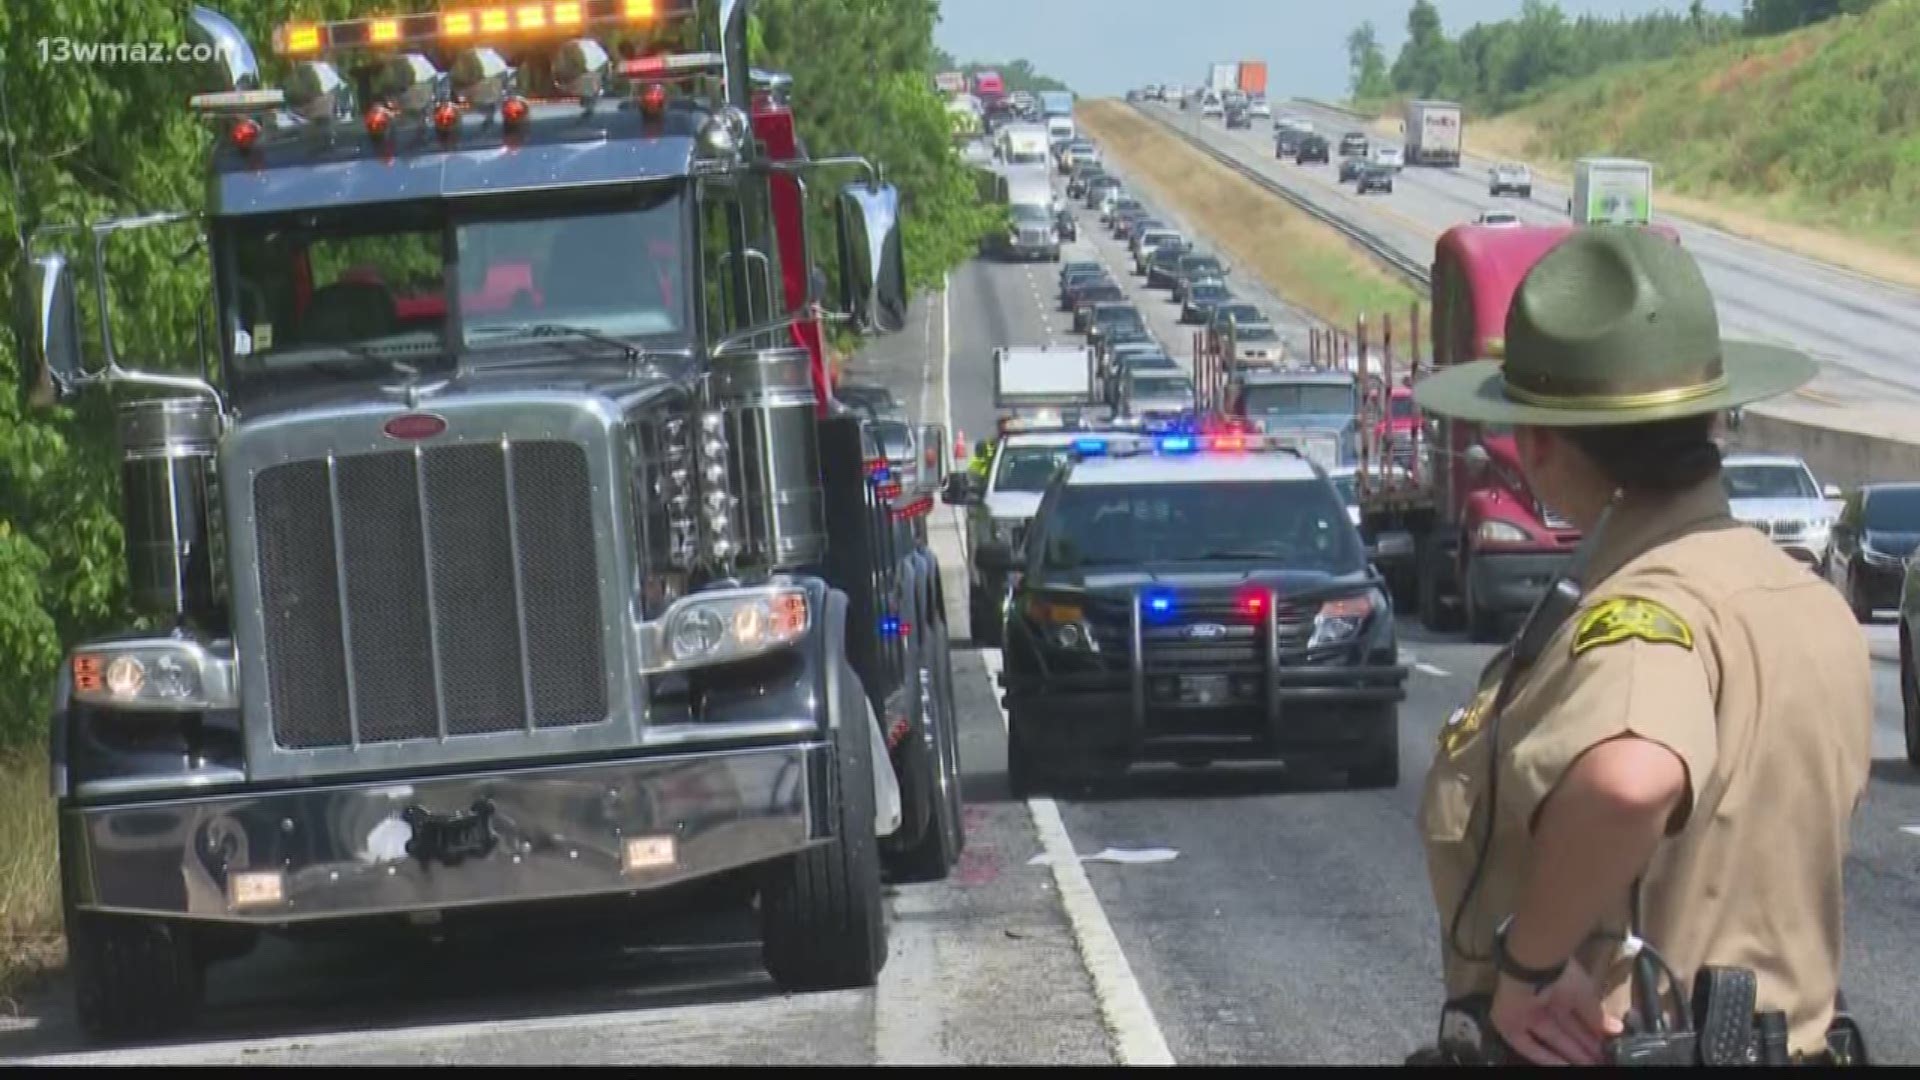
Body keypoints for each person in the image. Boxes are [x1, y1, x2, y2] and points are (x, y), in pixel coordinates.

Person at [1405, 227, 1873, 1066]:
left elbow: (1631, 780)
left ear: (1539, 443)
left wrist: (1529, 965)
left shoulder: (1647, 612)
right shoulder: (1804, 601)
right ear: (1709, 421)